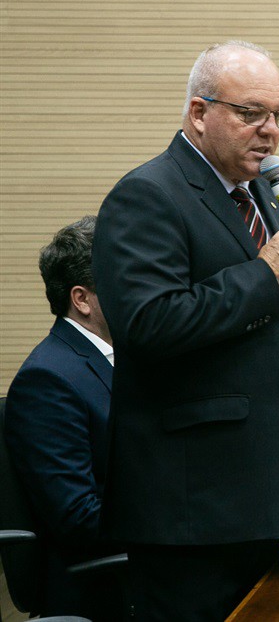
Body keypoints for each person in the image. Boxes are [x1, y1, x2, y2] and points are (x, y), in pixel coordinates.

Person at [92, 40, 279, 622]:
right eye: (250, 113)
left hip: (264, 497)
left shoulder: (267, 193)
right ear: (198, 113)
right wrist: (266, 273)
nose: (269, 131)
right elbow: (148, 324)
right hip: (190, 507)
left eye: (277, 116)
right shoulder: (147, 195)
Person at [4, 217, 128, 621]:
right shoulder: (48, 378)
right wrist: (178, 511)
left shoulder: (127, 357)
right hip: (104, 584)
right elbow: (79, 518)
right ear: (83, 298)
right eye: (127, 280)